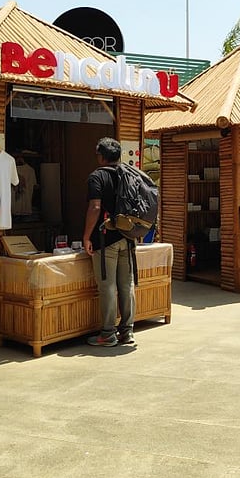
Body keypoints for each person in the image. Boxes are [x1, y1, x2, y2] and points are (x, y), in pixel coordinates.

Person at [82, 137, 135, 347]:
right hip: (129, 238)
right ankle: (127, 331)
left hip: (106, 241)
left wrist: (86, 236)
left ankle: (108, 333)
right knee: (126, 284)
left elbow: (95, 207)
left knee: (107, 286)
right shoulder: (129, 175)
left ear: (101, 156)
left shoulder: (97, 177)